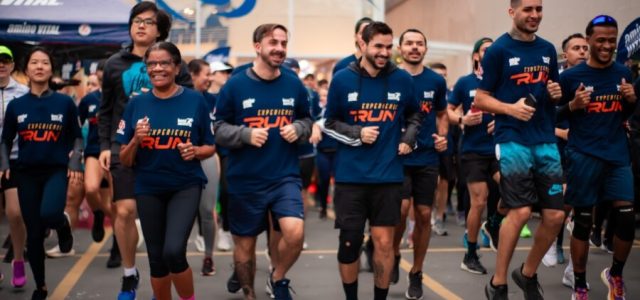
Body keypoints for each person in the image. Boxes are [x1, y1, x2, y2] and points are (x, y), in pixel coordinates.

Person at [98, 2, 192, 298]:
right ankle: (129, 274)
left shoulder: (176, 63)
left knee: (160, 222)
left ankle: (159, 277)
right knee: (124, 211)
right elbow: (106, 110)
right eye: (136, 20)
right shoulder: (115, 63)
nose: (140, 26)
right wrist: (104, 146)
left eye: (148, 22)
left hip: (163, 149)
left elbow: (189, 99)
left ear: (160, 30)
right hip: (123, 145)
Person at [324, 21, 422, 300]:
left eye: (389, 47)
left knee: (384, 243)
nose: (384, 52)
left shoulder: (403, 79)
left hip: (388, 176)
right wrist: (357, 133)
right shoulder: (342, 79)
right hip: (350, 178)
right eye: (379, 46)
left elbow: (416, 115)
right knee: (349, 244)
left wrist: (409, 138)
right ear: (362, 44)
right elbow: (328, 123)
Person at [214, 23, 311, 300]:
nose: (279, 48)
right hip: (245, 178)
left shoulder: (293, 83)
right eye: (273, 43)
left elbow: (307, 119)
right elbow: (218, 128)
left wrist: (299, 129)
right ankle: (249, 295)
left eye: (283, 43)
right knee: (244, 245)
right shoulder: (236, 85)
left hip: (284, 176)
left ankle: (278, 277)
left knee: (295, 233)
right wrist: (244, 134)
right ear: (258, 46)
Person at [475, 1, 565, 299]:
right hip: (512, 138)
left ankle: (526, 274)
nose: (535, 14)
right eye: (528, 9)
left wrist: (555, 93)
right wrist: (510, 109)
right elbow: (481, 98)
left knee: (554, 217)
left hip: (545, 140)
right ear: (512, 12)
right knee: (522, 211)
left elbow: (551, 91)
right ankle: (498, 283)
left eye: (539, 8)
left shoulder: (548, 49)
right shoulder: (499, 50)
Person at [117, 41, 214, 300]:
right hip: (148, 186)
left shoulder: (195, 100)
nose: (157, 68)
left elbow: (211, 147)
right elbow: (125, 160)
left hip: (185, 184)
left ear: (176, 67)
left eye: (164, 63)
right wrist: (136, 140)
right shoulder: (137, 104)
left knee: (173, 252)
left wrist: (196, 151)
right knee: (157, 260)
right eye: (152, 64)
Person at [558, 15, 637, 300]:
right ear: (589, 40)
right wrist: (572, 104)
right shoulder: (569, 77)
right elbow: (551, 115)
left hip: (617, 155)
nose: (606, 46)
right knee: (582, 222)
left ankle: (615, 275)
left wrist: (631, 101)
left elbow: (625, 117)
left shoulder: (623, 73)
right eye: (600, 40)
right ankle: (579, 284)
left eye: (611, 41)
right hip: (583, 155)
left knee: (626, 218)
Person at [1, 46, 83, 300]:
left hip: (55, 171)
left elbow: (78, 138)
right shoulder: (16, 105)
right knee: (33, 234)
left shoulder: (65, 103)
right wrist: (4, 164)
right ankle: (41, 286)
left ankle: (63, 226)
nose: (39, 67)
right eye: (34, 63)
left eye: (44, 63)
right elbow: (5, 140)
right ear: (26, 69)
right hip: (25, 173)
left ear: (51, 69)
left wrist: (74, 163)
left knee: (49, 213)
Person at [391, 28, 448, 299]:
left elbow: (442, 113)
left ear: (425, 49)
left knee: (424, 214)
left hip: (426, 156)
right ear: (400, 48)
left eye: (419, 44)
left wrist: (442, 137)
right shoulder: (389, 78)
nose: (414, 47)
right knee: (400, 211)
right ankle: (392, 253)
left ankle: (416, 271)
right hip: (397, 157)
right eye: (409, 43)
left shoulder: (435, 81)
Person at [448, 37, 507, 275]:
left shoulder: (503, 81)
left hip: (499, 148)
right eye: (485, 49)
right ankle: (470, 254)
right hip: (473, 151)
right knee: (479, 201)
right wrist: (463, 119)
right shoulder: (465, 82)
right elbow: (448, 112)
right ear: (476, 56)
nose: (491, 52)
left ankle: (491, 226)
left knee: (515, 192)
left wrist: (502, 122)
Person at [187, 58, 220, 276]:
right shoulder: (179, 97)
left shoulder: (214, 100)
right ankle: (176, 257)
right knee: (183, 212)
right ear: (192, 75)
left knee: (207, 211)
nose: (210, 79)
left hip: (207, 156)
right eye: (206, 74)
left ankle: (209, 256)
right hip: (182, 159)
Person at [0, 44, 28, 288]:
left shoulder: (23, 93)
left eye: (4, 59)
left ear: (11, 64)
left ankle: (18, 259)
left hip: (16, 160)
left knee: (16, 214)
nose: (0, 63)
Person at [78, 61, 113, 245]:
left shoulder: (121, 98)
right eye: (100, 75)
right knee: (90, 189)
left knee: (115, 205)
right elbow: (76, 125)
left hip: (116, 153)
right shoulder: (89, 100)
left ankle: (117, 245)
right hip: (94, 151)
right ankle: (98, 214)